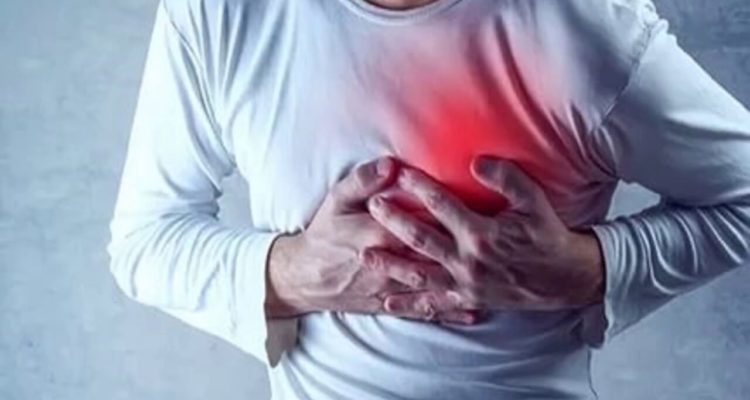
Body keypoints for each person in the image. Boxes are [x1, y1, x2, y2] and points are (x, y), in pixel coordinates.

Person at [107, 0, 750, 398]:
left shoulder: (589, 28)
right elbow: (144, 240)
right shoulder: (218, 14)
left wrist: (590, 268)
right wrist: (293, 271)